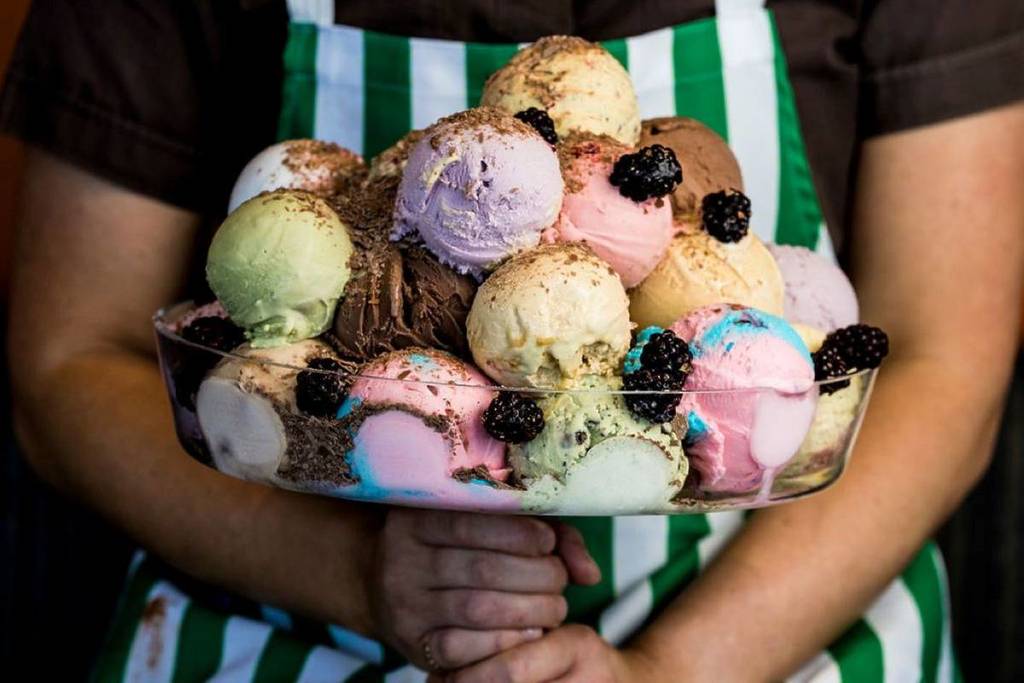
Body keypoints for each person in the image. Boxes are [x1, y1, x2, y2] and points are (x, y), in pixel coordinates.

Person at [3, 0, 1023, 680]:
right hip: (289, 640)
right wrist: (353, 572)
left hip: (782, 634)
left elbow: (945, 356)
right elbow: (69, 362)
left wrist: (676, 668)